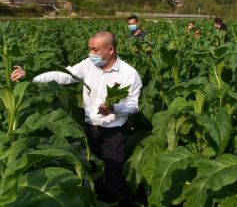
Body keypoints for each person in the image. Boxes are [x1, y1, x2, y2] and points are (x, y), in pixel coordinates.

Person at [11, 31, 142, 206]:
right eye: (89, 49)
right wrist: (31, 75)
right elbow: (64, 75)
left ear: (110, 49)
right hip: (89, 130)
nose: (91, 54)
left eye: (95, 49)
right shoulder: (89, 64)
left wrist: (114, 108)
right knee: (89, 173)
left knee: (114, 177)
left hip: (113, 134)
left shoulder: (129, 74)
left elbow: (133, 105)